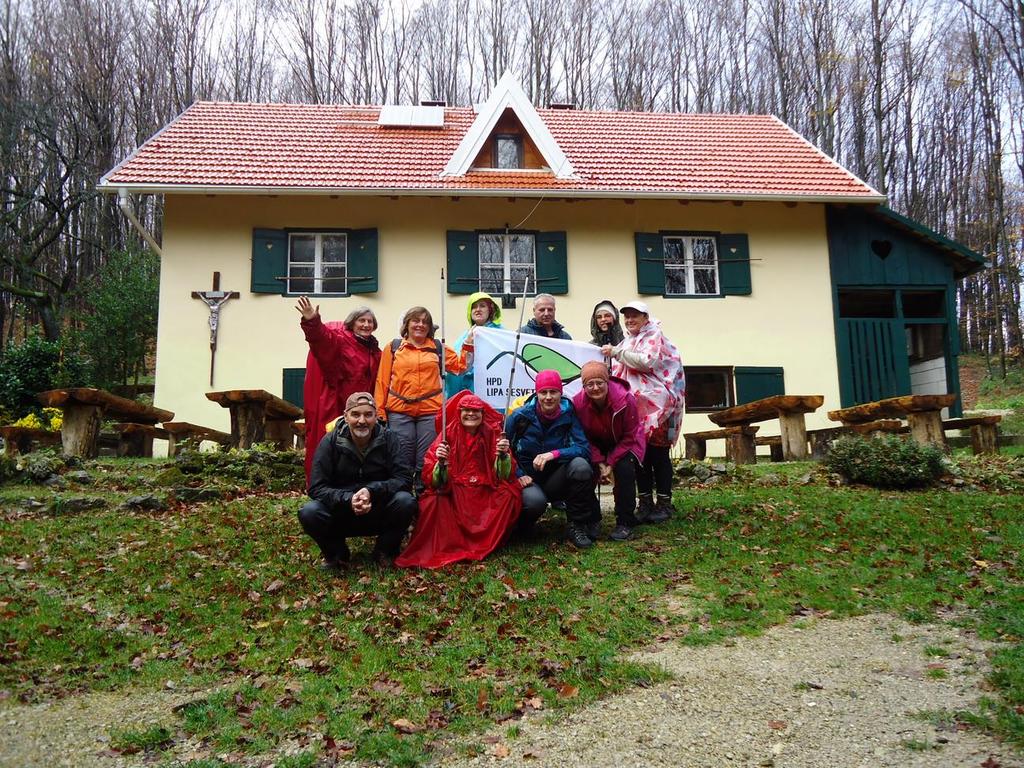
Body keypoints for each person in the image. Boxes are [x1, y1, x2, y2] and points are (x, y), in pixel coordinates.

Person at [396, 391, 522, 568]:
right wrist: (441, 464)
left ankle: (487, 542)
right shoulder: (447, 434)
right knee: (434, 500)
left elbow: (503, 476)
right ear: (459, 412)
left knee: (508, 494)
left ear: (482, 414)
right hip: (454, 489)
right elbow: (432, 476)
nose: (471, 414)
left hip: (484, 488)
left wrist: (503, 456)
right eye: (466, 410)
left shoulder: (493, 432)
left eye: (476, 410)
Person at [298, 392, 416, 570]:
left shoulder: (389, 439)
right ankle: (337, 554)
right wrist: (348, 499)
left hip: (378, 509)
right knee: (309, 511)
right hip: (342, 511)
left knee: (406, 501)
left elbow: (404, 479)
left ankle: (385, 550)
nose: (362, 421)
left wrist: (372, 491)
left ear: (376, 416)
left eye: (368, 415)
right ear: (345, 416)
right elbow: (316, 487)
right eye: (356, 414)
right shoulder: (330, 442)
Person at [603, 301, 685, 524]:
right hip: (638, 408)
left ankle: (665, 503)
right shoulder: (630, 340)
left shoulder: (653, 336)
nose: (630, 320)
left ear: (645, 318)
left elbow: (647, 362)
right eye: (627, 317)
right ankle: (646, 502)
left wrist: (617, 352)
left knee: (658, 454)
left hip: (661, 407)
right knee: (640, 455)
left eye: (634, 316)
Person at [374, 306, 472, 487]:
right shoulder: (394, 347)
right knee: (401, 456)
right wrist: (380, 412)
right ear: (407, 324)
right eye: (415, 320)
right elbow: (382, 380)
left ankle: (423, 497)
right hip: (399, 411)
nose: (420, 325)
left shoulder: (438, 348)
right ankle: (402, 497)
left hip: (430, 411)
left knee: (426, 458)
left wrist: (469, 346)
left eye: (425, 322)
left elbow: (461, 367)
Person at [504, 369, 598, 549]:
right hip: (528, 479)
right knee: (534, 502)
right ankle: (523, 524)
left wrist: (554, 454)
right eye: (543, 392)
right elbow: (504, 451)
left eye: (553, 392)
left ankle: (577, 525)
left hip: (556, 478)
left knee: (581, 466)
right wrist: (518, 474)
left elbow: (583, 449)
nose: (548, 397)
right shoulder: (519, 416)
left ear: (560, 393)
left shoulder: (569, 414)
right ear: (536, 393)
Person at [296, 297, 381, 486]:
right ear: (352, 323)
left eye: (370, 322)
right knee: (332, 448)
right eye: (362, 320)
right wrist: (312, 321)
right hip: (337, 406)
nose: (366, 325)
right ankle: (324, 488)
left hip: (362, 410)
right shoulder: (341, 341)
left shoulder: (375, 350)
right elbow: (321, 340)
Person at [572, 361, 646, 541]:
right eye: (590, 384)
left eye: (599, 382)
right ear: (584, 386)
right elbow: (582, 436)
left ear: (607, 381)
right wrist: (599, 461)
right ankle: (592, 519)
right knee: (585, 469)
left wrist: (611, 462)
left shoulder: (625, 399)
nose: (595, 388)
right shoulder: (577, 403)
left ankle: (625, 521)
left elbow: (630, 435)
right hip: (595, 444)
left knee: (624, 469)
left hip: (625, 442)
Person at [446, 292, 502, 398]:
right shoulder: (464, 336)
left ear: (490, 310)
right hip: (465, 392)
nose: (478, 309)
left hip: (488, 388)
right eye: (474, 307)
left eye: (482, 306)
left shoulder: (500, 334)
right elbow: (456, 364)